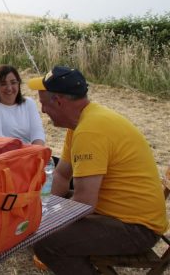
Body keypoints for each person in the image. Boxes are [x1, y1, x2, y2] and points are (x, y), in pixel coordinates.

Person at [28, 66, 168, 274]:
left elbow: (84, 204)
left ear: (58, 101)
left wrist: (41, 223)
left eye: (43, 103)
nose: (42, 111)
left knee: (46, 241)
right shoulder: (79, 124)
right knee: (49, 213)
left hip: (137, 228)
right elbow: (62, 174)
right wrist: (42, 211)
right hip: (117, 215)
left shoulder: (90, 130)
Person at [0, 65, 45, 145]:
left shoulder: (29, 103)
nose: (9, 88)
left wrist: (36, 152)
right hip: (2, 154)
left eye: (13, 83)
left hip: (29, 153)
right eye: (3, 84)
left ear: (19, 84)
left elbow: (38, 134)